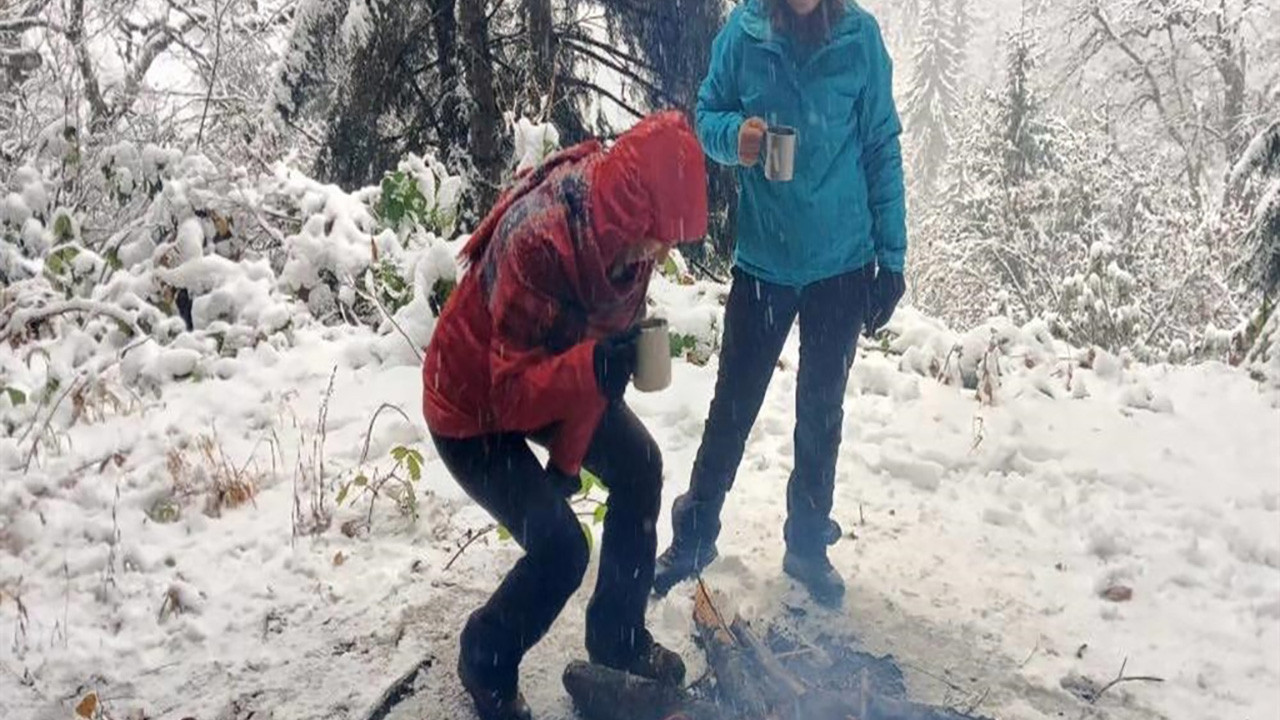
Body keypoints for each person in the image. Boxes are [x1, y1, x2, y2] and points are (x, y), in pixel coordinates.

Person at [422, 111, 708, 720]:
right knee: (561, 549)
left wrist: (568, 459)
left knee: (640, 467)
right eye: (658, 233)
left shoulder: (628, 248)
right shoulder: (540, 239)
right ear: (629, 208)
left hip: (546, 376)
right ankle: (485, 656)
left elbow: (588, 365)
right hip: (471, 408)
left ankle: (616, 639)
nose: (661, 251)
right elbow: (508, 396)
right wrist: (591, 371)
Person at [653, 0, 908, 607]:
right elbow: (708, 113)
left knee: (821, 415)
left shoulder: (858, 38)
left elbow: (881, 146)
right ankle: (692, 538)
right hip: (765, 261)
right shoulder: (744, 33)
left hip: (841, 266)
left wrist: (891, 258)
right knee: (732, 408)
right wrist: (730, 138)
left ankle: (807, 546)